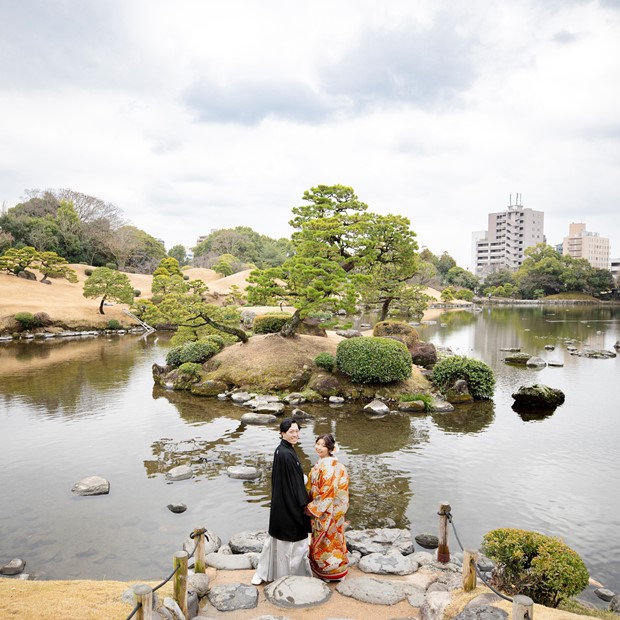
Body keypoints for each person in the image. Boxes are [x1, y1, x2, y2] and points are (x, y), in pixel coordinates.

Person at [251, 418, 311, 585]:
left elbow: (290, 478)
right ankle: (291, 577)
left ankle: (266, 573)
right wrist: (304, 504)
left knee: (275, 542)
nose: (295, 434)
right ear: (282, 433)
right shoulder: (286, 453)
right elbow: (295, 484)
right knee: (293, 545)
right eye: (291, 432)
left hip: (281, 503)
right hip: (289, 505)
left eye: (297, 431)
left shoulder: (282, 450)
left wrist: (301, 479)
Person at [305, 433, 350, 581]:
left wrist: (312, 507)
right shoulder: (329, 464)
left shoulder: (329, 467)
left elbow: (327, 493)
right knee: (335, 537)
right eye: (317, 444)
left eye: (323, 446)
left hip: (327, 509)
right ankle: (336, 569)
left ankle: (329, 571)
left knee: (327, 540)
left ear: (330, 448)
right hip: (334, 508)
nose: (319, 448)